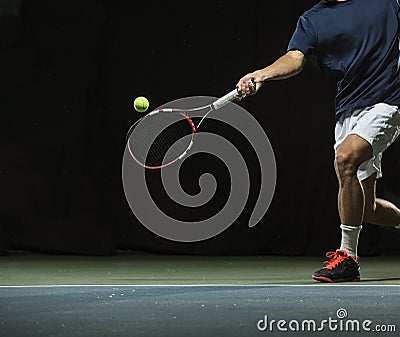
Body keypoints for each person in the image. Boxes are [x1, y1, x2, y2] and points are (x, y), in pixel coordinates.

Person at [236, 0, 400, 282]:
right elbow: (295, 57)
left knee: (345, 158)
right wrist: (262, 73)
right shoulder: (312, 19)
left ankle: (348, 258)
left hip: (389, 99)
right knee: (367, 207)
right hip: (348, 108)